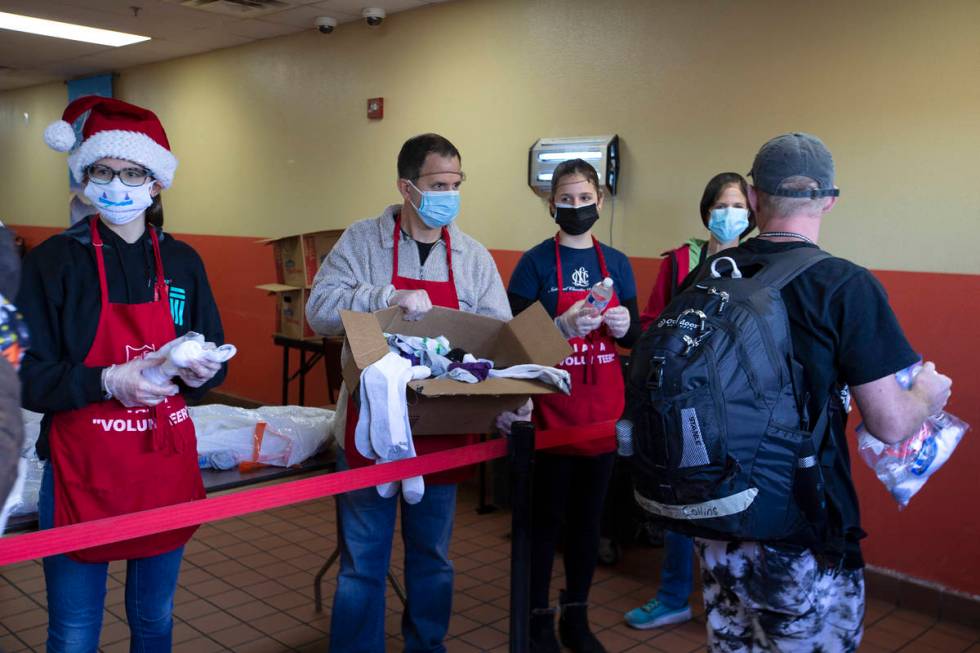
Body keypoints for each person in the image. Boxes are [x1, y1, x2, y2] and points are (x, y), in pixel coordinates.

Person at [692, 133, 952, 652]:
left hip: (720, 516)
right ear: (829, 199)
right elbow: (891, 422)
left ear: (753, 195)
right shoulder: (845, 286)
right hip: (802, 529)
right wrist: (928, 393)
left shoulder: (710, 275)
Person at [17, 96, 227, 652]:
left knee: (154, 621)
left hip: (162, 464)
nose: (118, 185)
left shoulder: (183, 261)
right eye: (103, 171)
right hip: (80, 466)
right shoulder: (53, 262)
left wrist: (201, 370)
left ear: (156, 183)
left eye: (133, 173)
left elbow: (208, 358)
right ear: (84, 176)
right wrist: (108, 381)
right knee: (74, 631)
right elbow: (25, 376)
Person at [306, 133, 522, 653]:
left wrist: (513, 395)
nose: (449, 194)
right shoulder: (362, 242)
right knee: (363, 562)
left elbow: (501, 335)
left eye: (456, 184)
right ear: (407, 187)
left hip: (441, 430)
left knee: (433, 558)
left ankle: (427, 645)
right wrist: (385, 296)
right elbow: (318, 310)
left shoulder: (471, 256)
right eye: (437, 184)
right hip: (369, 430)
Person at [507, 158, 640, 653]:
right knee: (545, 526)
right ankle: (537, 619)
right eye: (567, 199)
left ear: (600, 202)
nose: (577, 207)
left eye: (586, 198)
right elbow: (513, 340)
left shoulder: (618, 264)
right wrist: (560, 326)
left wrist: (626, 328)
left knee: (588, 526)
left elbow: (636, 336)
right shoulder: (535, 264)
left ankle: (577, 618)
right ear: (551, 204)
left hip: (601, 415)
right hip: (550, 416)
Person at [624, 172, 755, 630]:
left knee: (735, 497)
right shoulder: (681, 261)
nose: (729, 214)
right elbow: (650, 320)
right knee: (684, 493)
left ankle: (735, 603)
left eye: (738, 205)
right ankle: (674, 595)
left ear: (751, 213)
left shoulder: (760, 263)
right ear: (706, 211)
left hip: (739, 403)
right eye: (721, 205)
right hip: (684, 402)